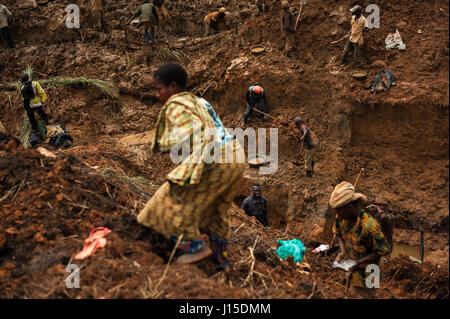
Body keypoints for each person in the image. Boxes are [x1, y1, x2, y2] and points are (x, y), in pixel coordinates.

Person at [137, 63, 245, 270]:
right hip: (235, 156)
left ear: (173, 87)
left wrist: (189, 164)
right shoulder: (198, 101)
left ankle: (194, 246)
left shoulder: (177, 104)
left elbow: (195, 132)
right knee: (216, 209)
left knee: (171, 197)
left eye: (159, 89)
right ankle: (222, 260)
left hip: (215, 158)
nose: (157, 94)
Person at [330, 182, 390, 299]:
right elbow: (338, 234)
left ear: (350, 208)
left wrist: (357, 262)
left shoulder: (369, 225)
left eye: (340, 210)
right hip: (353, 266)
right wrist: (343, 251)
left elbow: (382, 250)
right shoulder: (341, 218)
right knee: (350, 292)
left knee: (363, 295)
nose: (338, 214)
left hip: (371, 270)